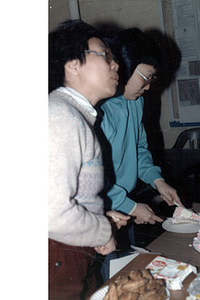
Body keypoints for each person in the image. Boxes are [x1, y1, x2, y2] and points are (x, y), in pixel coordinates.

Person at [48, 19, 130, 300]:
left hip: (66, 254)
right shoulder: (60, 116)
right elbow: (50, 212)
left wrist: (97, 216)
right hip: (55, 260)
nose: (115, 64)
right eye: (105, 55)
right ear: (72, 65)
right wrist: (101, 230)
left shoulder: (72, 115)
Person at [95, 28, 183, 281]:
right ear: (121, 67)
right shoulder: (99, 108)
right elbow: (93, 177)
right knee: (108, 281)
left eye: (151, 80)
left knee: (127, 273)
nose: (147, 87)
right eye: (146, 77)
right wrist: (131, 206)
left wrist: (157, 180)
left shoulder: (135, 101)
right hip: (102, 209)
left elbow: (138, 149)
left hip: (125, 204)